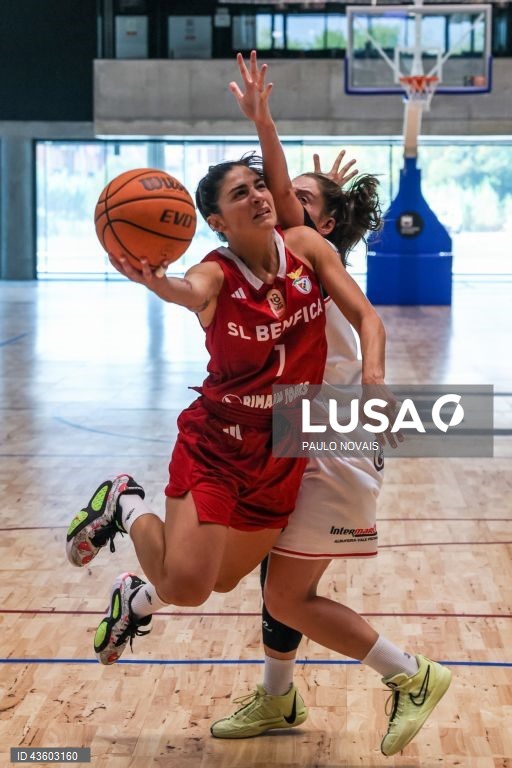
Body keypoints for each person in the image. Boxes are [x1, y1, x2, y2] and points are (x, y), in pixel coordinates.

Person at [209, 51, 452, 758]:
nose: (276, 200)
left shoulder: (310, 255)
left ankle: (410, 675)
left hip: (334, 440)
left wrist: (265, 121)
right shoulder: (285, 260)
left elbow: (296, 219)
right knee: (273, 576)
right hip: (300, 436)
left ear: (319, 222)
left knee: (285, 593)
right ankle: (278, 697)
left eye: (293, 198)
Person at [66, 153, 388, 675]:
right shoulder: (216, 272)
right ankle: (125, 503)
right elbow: (190, 291)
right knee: (196, 585)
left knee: (221, 579)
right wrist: (156, 282)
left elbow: (368, 317)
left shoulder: (308, 250)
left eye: (265, 187)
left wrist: (375, 381)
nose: (266, 197)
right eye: (244, 193)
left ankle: (138, 591)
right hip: (222, 440)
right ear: (215, 221)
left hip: (287, 447)